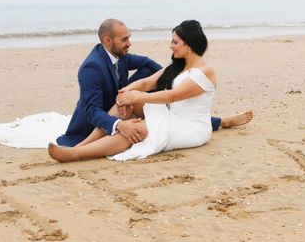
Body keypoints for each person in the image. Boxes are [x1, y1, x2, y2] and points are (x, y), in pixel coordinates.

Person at [55, 18, 252, 147]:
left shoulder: (120, 55)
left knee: (150, 73)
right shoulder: (92, 67)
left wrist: (172, 78)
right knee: (155, 110)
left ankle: (218, 121)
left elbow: (149, 66)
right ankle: (220, 121)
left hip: (125, 102)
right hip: (99, 117)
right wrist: (119, 123)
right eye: (124, 39)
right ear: (107, 41)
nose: (129, 43)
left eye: (129, 38)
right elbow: (91, 110)